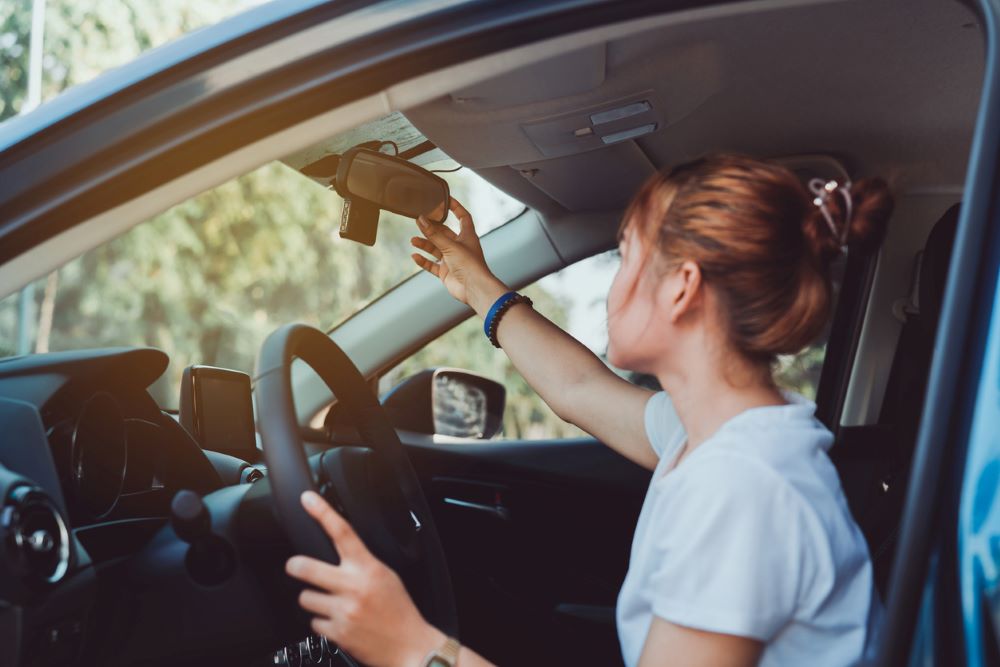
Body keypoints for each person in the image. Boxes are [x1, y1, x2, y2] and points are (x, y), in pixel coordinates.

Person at [285, 154, 893, 667]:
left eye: (625, 255)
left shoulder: (744, 489)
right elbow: (577, 389)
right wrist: (476, 283)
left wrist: (415, 648)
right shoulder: (715, 433)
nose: (615, 282)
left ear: (681, 287)